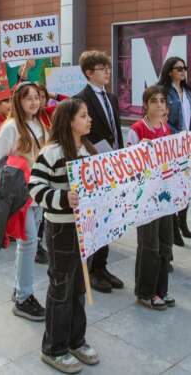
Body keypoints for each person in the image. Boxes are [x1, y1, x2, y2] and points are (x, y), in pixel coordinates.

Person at [29, 98, 100, 374]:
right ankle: (54, 348)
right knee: (61, 287)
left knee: (80, 288)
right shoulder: (52, 152)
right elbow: (34, 188)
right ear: (69, 120)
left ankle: (76, 340)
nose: (89, 119)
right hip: (61, 229)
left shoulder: (90, 150)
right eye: (84, 116)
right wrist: (63, 198)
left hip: (87, 228)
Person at [0, 82, 48, 321]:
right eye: (28, 98)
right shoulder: (11, 127)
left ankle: (20, 290)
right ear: (18, 101)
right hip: (21, 197)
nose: (34, 102)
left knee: (29, 244)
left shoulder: (40, 124)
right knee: (29, 244)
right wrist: (11, 191)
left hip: (39, 196)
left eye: (37, 97)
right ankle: (24, 297)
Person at [72, 50, 125, 294]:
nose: (107, 72)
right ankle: (92, 270)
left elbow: (116, 132)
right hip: (94, 164)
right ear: (89, 73)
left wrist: (121, 156)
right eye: (102, 69)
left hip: (113, 163)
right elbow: (81, 134)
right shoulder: (79, 100)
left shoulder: (111, 98)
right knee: (95, 220)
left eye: (108, 68)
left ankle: (102, 266)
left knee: (110, 219)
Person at [125, 85, 175, 311]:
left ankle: (160, 290)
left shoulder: (166, 129)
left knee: (165, 245)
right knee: (149, 245)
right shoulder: (136, 130)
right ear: (145, 105)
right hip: (145, 199)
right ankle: (145, 292)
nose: (159, 105)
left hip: (164, 197)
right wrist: (139, 152)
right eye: (154, 101)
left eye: (162, 101)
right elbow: (127, 164)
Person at [158, 56, 191, 244]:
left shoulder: (188, 92)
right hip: (172, 146)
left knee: (186, 186)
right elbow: (162, 120)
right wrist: (179, 135)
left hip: (189, 146)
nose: (183, 71)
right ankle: (173, 227)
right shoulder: (164, 93)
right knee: (173, 186)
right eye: (179, 68)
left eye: (185, 68)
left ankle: (182, 222)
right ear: (169, 72)